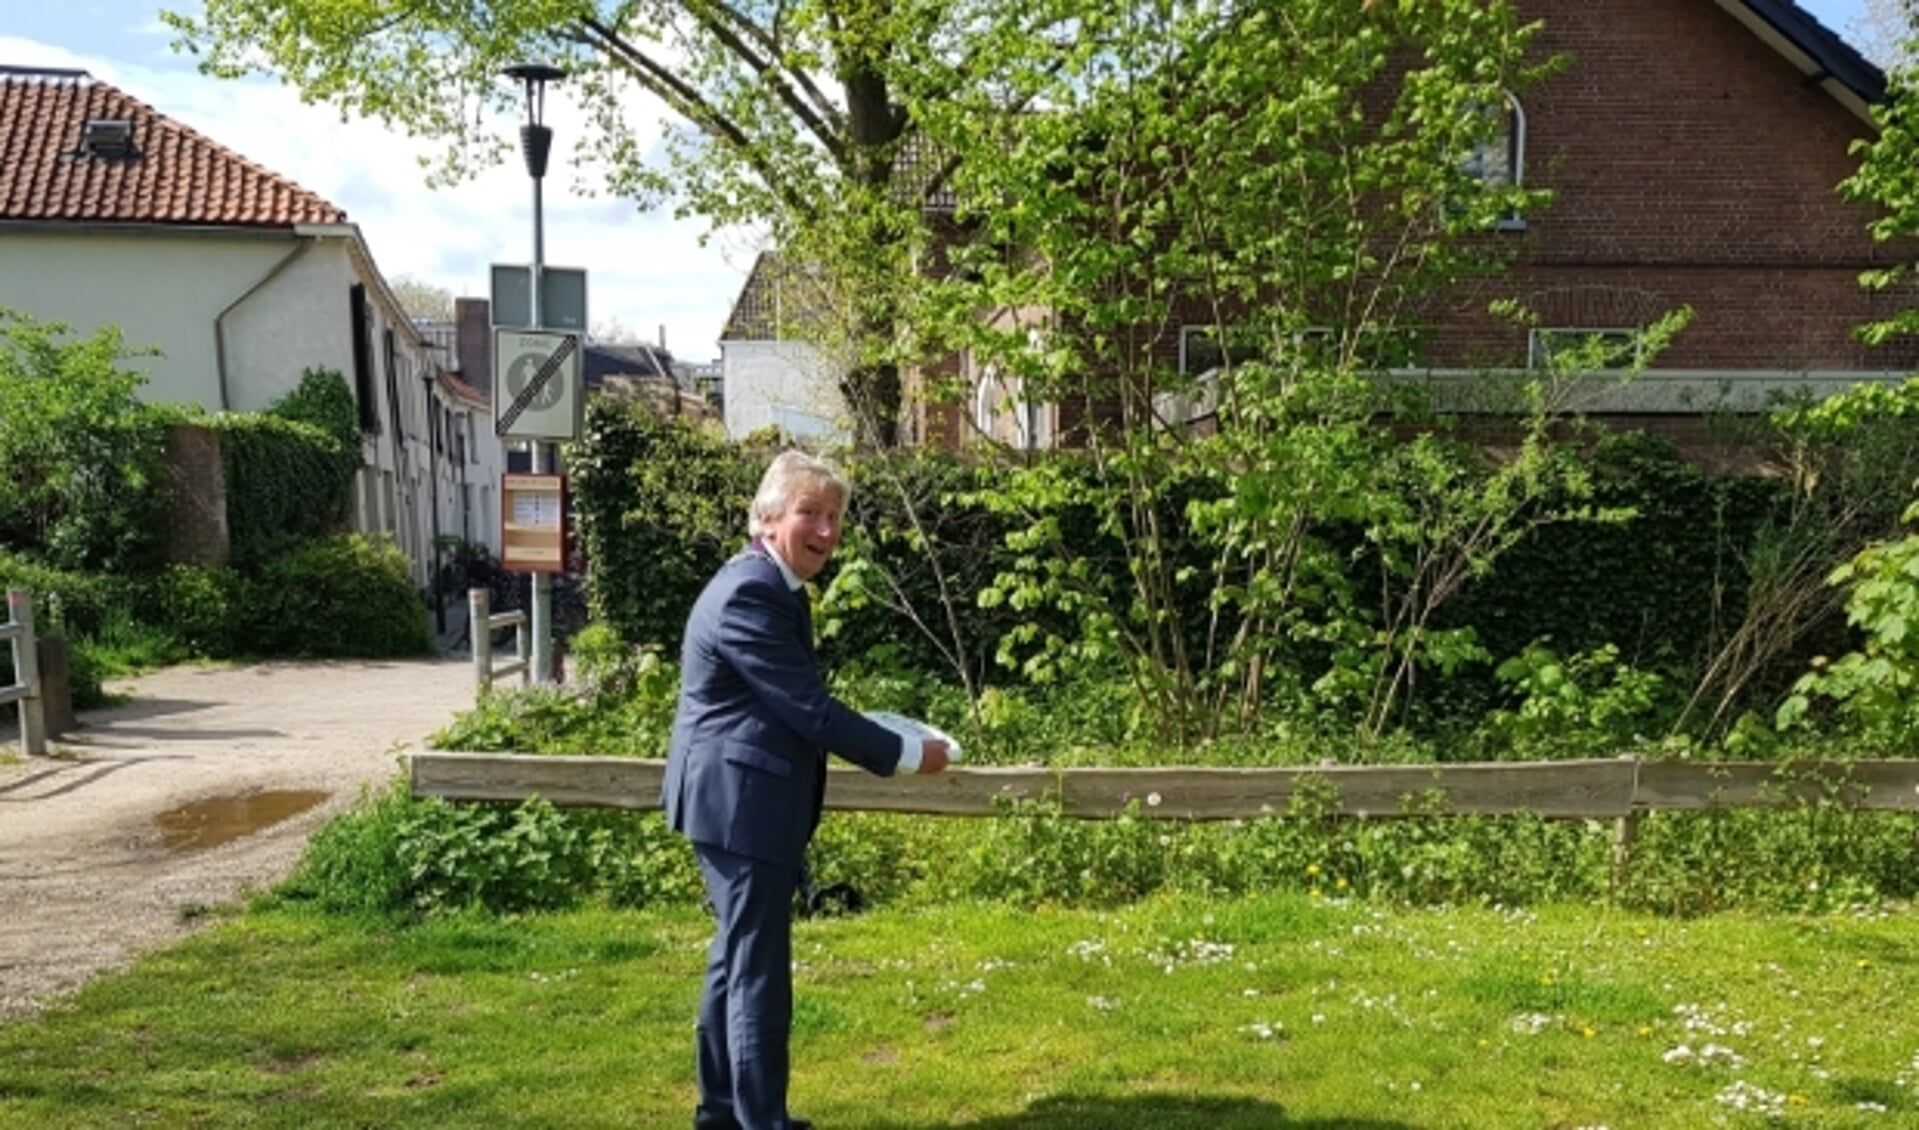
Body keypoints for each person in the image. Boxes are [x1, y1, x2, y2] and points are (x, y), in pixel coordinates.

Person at [664, 450, 951, 1130]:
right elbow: (810, 710)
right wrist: (908, 755)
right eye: (808, 514)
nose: (825, 530)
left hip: (736, 801)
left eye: (833, 517)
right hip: (741, 807)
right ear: (767, 518)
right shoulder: (751, 592)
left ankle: (723, 1113)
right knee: (757, 973)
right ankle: (757, 1121)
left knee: (735, 961)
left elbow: (794, 703)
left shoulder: (769, 582)